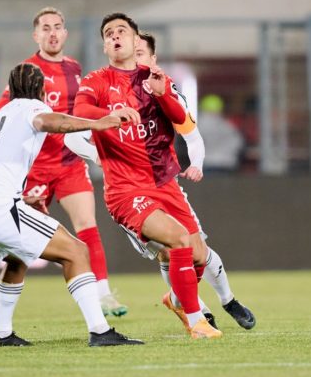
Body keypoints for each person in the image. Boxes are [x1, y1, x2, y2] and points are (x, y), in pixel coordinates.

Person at [0, 7, 128, 316]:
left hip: (68, 162)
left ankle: (103, 294)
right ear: (36, 35)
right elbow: (4, 113)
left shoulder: (75, 69)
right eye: (46, 28)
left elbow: (78, 111)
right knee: (20, 241)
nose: (52, 33)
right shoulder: (27, 73)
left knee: (87, 224)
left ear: (65, 33)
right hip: (35, 167)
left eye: (57, 27)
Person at [67, 32, 255, 330]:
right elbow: (73, 134)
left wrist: (196, 163)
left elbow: (190, 132)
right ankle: (195, 314)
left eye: (140, 54)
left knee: (198, 253)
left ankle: (219, 299)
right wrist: (98, 155)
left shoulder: (163, 89)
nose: (134, 61)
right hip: (129, 191)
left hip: (165, 183)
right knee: (170, 248)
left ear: (152, 59)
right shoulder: (109, 93)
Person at [0, 62, 143, 347]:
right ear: (42, 90)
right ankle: (100, 331)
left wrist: (23, 199)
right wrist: (97, 123)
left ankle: (1, 333)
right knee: (77, 251)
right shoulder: (32, 108)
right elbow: (44, 122)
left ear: (10, 90)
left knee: (17, 258)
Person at [196, 94, 244, 172]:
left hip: (208, 162)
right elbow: (238, 142)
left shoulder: (198, 125)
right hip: (228, 162)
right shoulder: (227, 125)